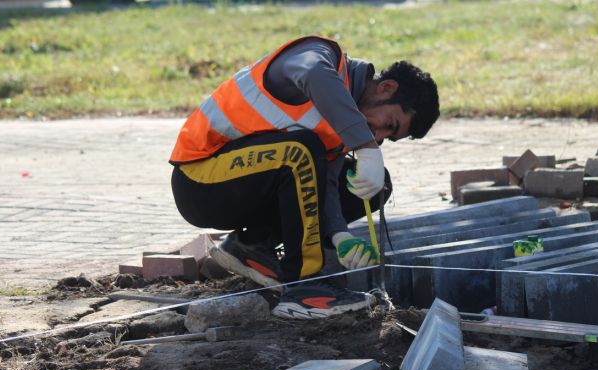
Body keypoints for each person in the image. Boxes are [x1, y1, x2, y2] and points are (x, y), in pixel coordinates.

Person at [170, 35, 439, 318]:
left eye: (388, 137)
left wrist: (339, 236)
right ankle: (306, 287)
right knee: (302, 151)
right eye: (389, 125)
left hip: (241, 185)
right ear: (386, 87)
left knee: (372, 184)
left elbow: (325, 188)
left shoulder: (340, 126)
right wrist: (365, 146)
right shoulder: (319, 56)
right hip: (200, 180)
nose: (378, 136)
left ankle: (252, 246)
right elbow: (313, 74)